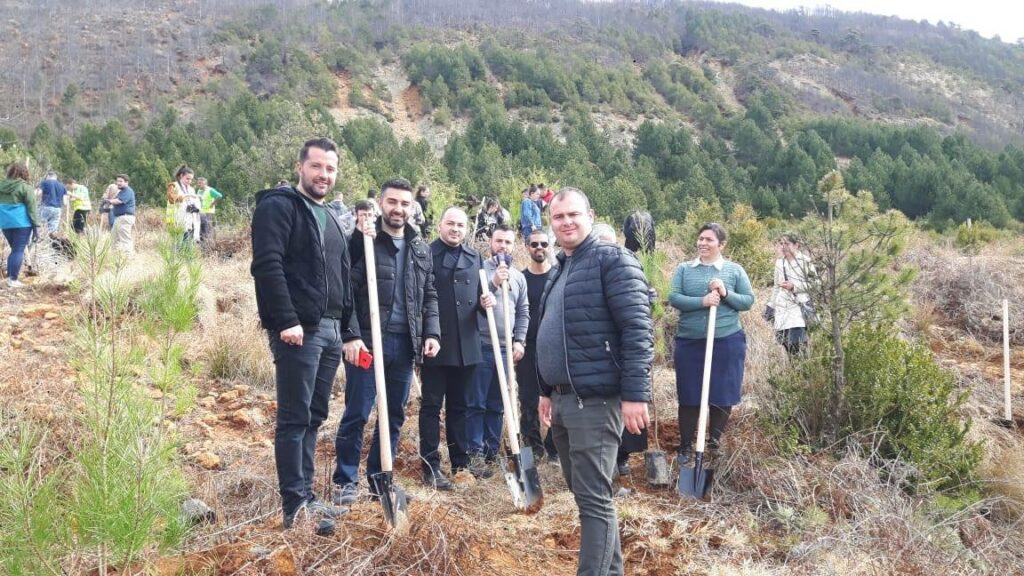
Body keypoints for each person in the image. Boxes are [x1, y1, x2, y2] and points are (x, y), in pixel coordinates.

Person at [537, 188, 653, 576]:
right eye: (558, 217)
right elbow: (552, 334)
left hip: (597, 401)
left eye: (573, 214)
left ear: (590, 214)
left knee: (593, 500)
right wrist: (545, 391)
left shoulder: (613, 260)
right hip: (564, 400)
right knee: (588, 496)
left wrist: (636, 395)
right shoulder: (561, 268)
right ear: (550, 223)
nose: (566, 222)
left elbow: (637, 329)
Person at [251, 137, 354, 534]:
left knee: (314, 416)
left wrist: (349, 332)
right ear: (300, 167)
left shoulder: (330, 217)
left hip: (329, 332)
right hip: (300, 330)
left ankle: (309, 496)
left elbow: (344, 280)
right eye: (317, 167)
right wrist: (285, 319)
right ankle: (295, 507)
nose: (323, 175)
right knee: (294, 419)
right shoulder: (279, 206)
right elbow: (267, 265)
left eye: (330, 169)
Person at [332, 178, 441, 505]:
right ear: (381, 203)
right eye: (392, 202)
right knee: (357, 412)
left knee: (393, 414)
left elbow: (429, 294)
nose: (399, 209)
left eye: (405, 204)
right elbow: (345, 291)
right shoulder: (363, 241)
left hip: (404, 344)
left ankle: (381, 478)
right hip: (367, 343)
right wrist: (350, 335)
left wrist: (432, 332)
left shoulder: (420, 248)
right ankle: (345, 481)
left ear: (412, 208)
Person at [419, 206, 496, 488]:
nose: (455, 229)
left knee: (460, 407)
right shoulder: (426, 253)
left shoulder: (475, 257)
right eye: (450, 224)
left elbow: (477, 299)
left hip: (467, 344)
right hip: (436, 343)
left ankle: (460, 463)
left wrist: (486, 303)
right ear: (440, 225)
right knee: (430, 407)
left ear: (466, 229)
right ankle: (430, 466)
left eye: (461, 225)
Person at [668, 223, 754, 467]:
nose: (703, 243)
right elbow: (674, 297)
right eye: (701, 239)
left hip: (726, 340)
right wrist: (702, 301)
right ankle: (685, 445)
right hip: (691, 341)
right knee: (689, 395)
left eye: (709, 240)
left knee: (722, 393)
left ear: (721, 244)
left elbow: (748, 301)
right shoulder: (684, 269)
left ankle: (714, 443)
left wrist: (725, 293)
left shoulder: (734, 270)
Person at [467, 224, 528, 463]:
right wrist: (492, 282)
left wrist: (520, 341)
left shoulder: (519, 278)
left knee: (497, 404)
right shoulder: (479, 271)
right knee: (476, 402)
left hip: (506, 349)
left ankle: (492, 452)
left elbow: (523, 312)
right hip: (482, 345)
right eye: (499, 241)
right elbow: (475, 303)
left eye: (508, 242)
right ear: (491, 243)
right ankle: (475, 453)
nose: (503, 246)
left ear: (514, 246)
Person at [516, 229, 557, 461]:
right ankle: (532, 448)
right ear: (527, 247)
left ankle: (553, 447)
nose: (539, 248)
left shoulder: (557, 277)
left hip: (552, 349)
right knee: (529, 398)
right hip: (528, 347)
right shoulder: (521, 279)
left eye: (543, 244)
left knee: (557, 398)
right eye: (534, 245)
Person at [771, 234, 813, 357]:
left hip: (798, 308)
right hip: (781, 310)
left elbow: (816, 284)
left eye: (787, 244)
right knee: (785, 344)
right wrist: (770, 305)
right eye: (781, 243)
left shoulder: (806, 262)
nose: (783, 247)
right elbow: (775, 287)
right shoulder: (779, 263)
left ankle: (804, 373)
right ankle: (795, 374)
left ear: (796, 245)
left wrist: (794, 286)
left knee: (798, 345)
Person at [0, 162, 40, 288]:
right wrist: (36, 227)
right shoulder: (25, 187)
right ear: (24, 173)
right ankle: (13, 279)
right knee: (18, 250)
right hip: (22, 223)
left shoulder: (1, 185)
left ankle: (11, 278)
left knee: (15, 250)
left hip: (5, 223)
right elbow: (32, 207)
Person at [166, 165, 201, 245]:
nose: (189, 181)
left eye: (191, 179)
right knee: (176, 246)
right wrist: (185, 197)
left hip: (189, 222)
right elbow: (171, 199)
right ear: (181, 176)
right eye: (187, 178)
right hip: (176, 221)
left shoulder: (191, 189)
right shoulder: (173, 186)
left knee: (187, 247)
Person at [108, 175, 136, 254]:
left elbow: (119, 201)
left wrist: (109, 201)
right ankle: (115, 255)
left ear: (126, 182)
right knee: (114, 237)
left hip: (125, 217)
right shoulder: (122, 191)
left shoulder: (128, 191)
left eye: (121, 181)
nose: (118, 183)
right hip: (119, 218)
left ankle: (128, 255)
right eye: (117, 181)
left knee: (125, 238)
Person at [196, 177, 223, 245]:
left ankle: (209, 244)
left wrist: (213, 203)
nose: (199, 184)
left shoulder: (210, 190)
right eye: (198, 183)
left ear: (205, 183)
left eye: (201, 183)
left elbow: (219, 195)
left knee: (207, 230)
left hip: (208, 212)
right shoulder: (199, 191)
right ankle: (202, 244)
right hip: (200, 212)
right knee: (200, 230)